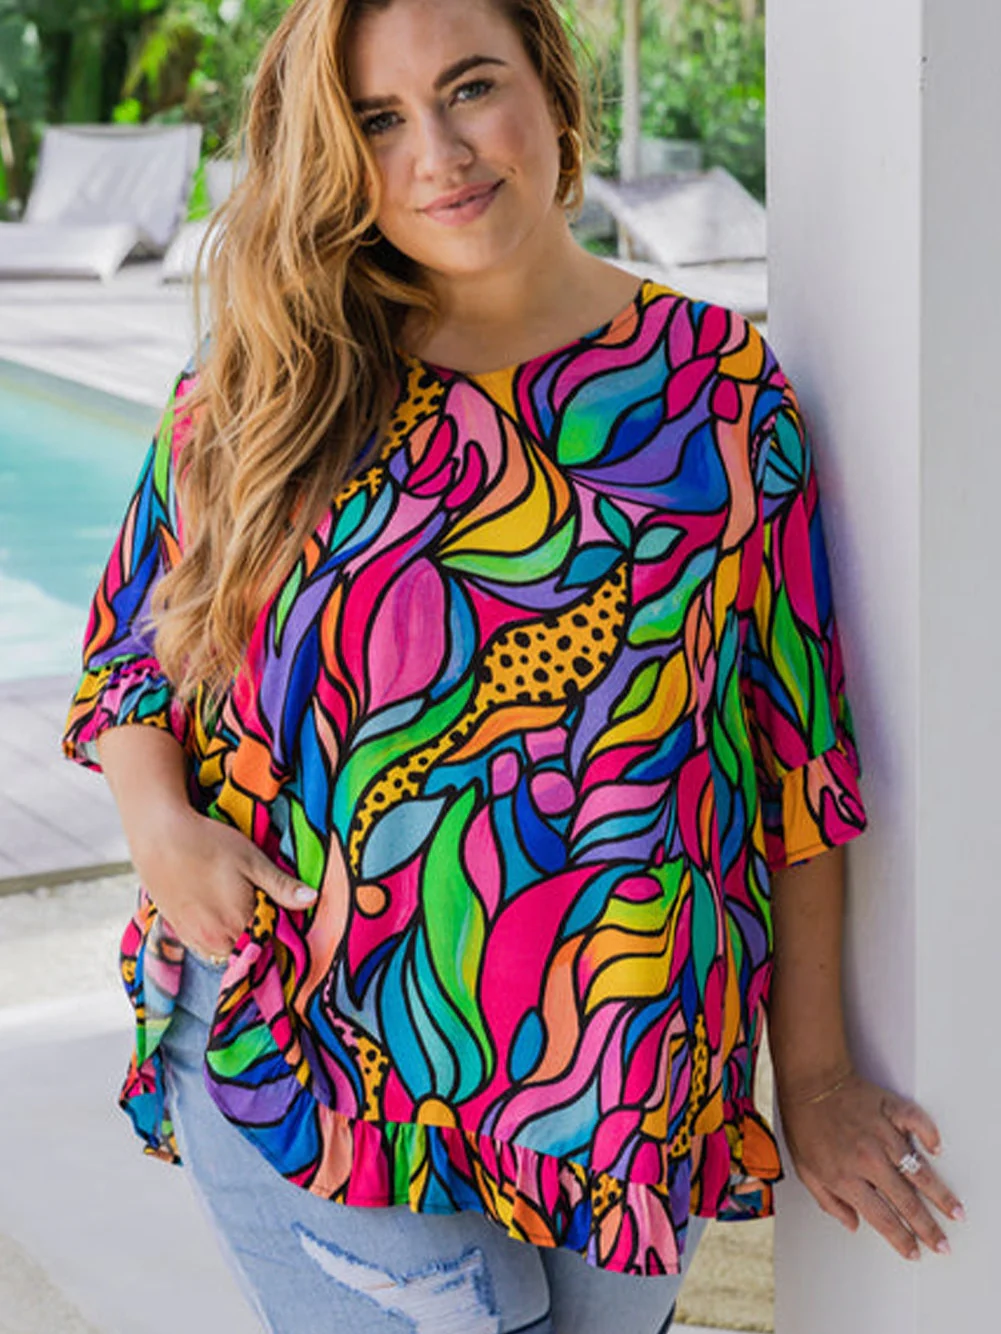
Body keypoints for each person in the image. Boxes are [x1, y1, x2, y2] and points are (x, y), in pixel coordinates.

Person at [62, 0, 965, 1330]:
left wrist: (817, 1077)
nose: (439, 153)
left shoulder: (719, 391)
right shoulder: (271, 380)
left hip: (630, 1081)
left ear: (552, 88)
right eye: (379, 118)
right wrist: (157, 828)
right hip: (328, 1054)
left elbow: (793, 758)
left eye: (471, 87)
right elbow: (138, 653)